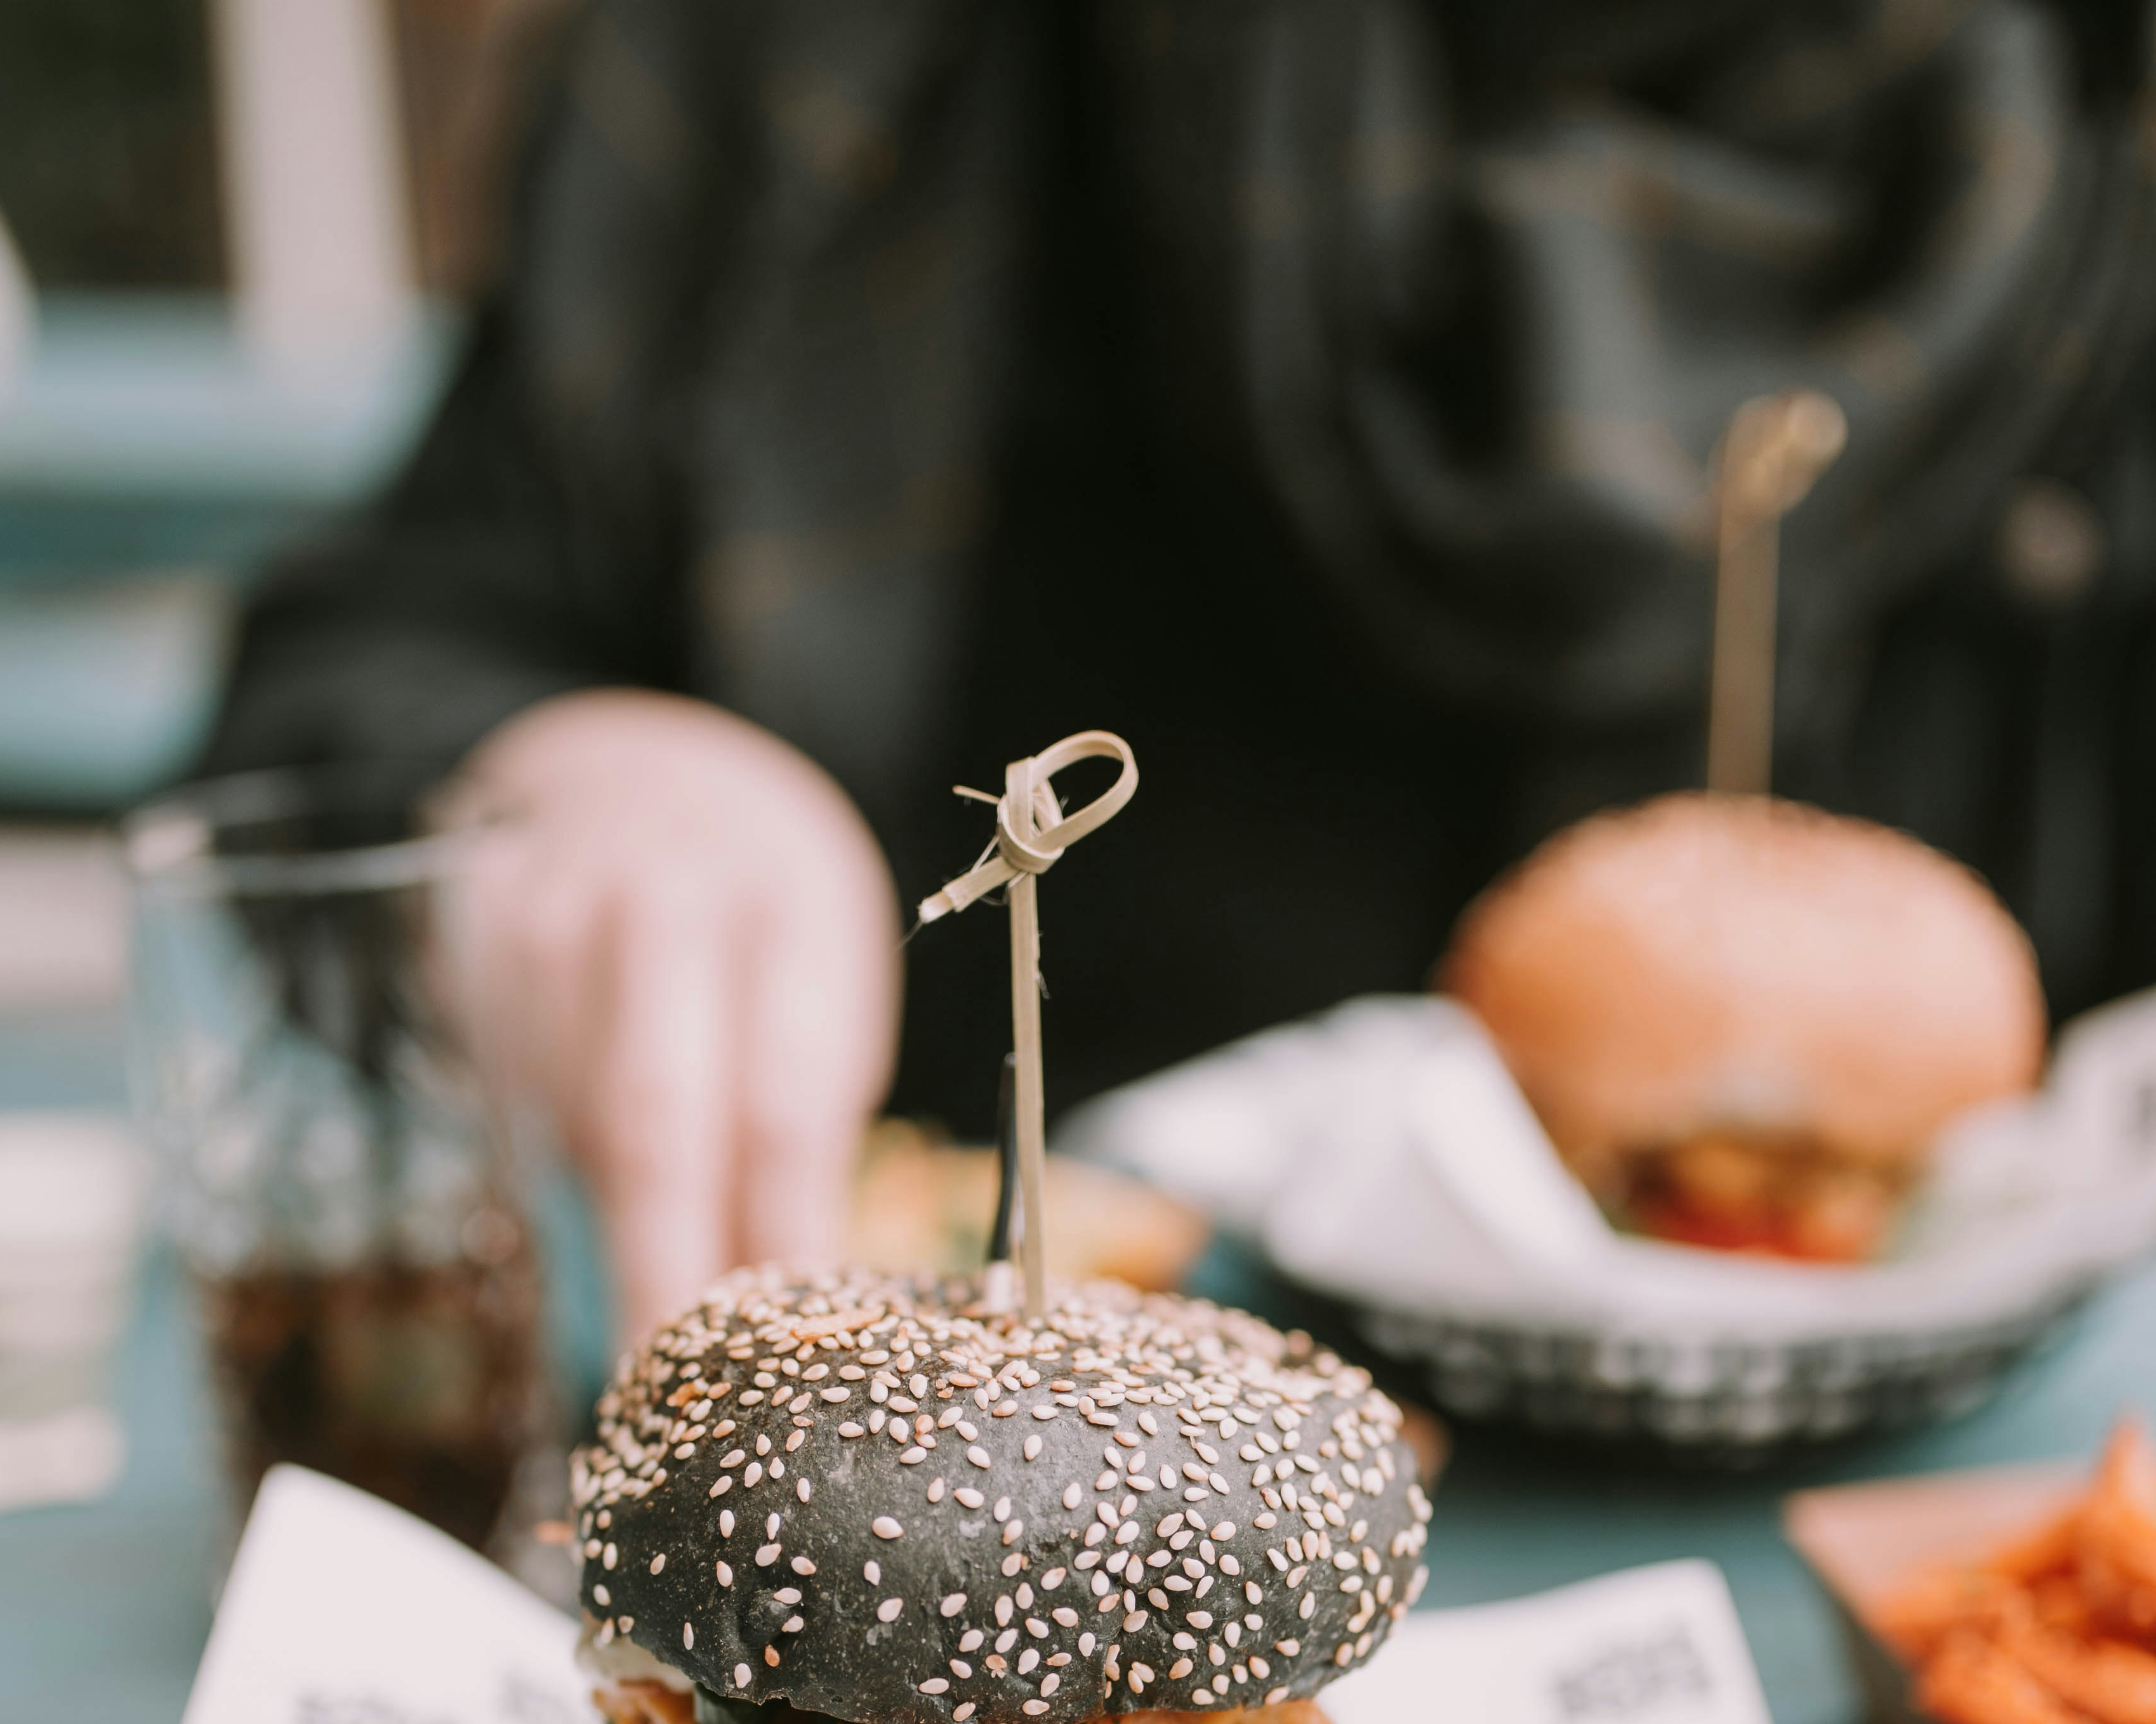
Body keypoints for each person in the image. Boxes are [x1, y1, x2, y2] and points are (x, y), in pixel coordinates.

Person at [204, 0, 2156, 1336]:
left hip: (1911, 1600)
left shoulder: (2100, 146)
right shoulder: (839, 57)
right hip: (948, 1410)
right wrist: (557, 765)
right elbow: (352, 673)